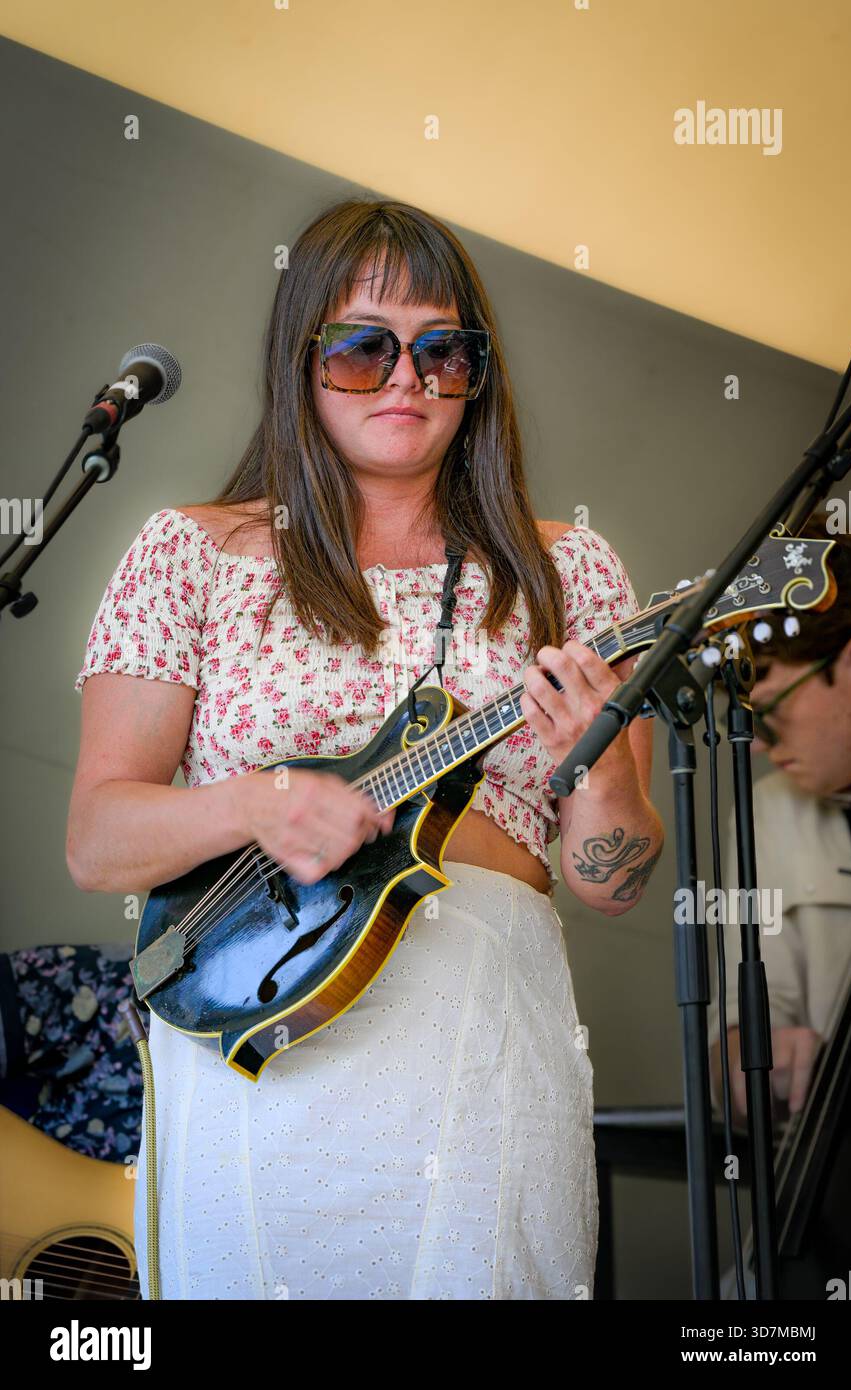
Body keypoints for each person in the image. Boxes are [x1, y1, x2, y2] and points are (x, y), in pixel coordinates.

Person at [67, 197, 663, 1301]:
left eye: (444, 351)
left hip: (483, 1050)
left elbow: (611, 880)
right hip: (263, 1040)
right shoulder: (191, 552)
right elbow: (100, 840)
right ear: (302, 362)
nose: (407, 380)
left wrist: (605, 761)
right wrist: (256, 804)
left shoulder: (569, 570)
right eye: (362, 347)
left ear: (475, 375)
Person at [708, 518, 851, 1128]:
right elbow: (739, 1047)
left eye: (769, 713)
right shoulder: (772, 808)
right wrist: (752, 1056)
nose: (755, 744)